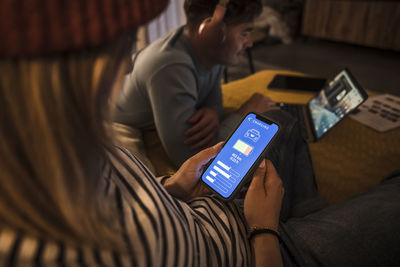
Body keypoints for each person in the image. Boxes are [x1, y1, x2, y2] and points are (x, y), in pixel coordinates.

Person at [1, 1, 400, 267]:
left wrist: (173, 185)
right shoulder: (51, 247)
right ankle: (299, 219)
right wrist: (264, 230)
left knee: (278, 121)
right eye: (121, 44)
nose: (127, 65)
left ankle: (306, 206)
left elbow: (128, 190)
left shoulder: (69, 142)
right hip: (257, 248)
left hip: (210, 207)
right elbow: (180, 144)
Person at [112, 0, 279, 167]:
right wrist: (244, 115)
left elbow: (214, 104)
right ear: (211, 31)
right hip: (116, 121)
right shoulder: (171, 67)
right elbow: (190, 160)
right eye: (244, 33)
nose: (250, 42)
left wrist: (212, 111)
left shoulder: (213, 52)